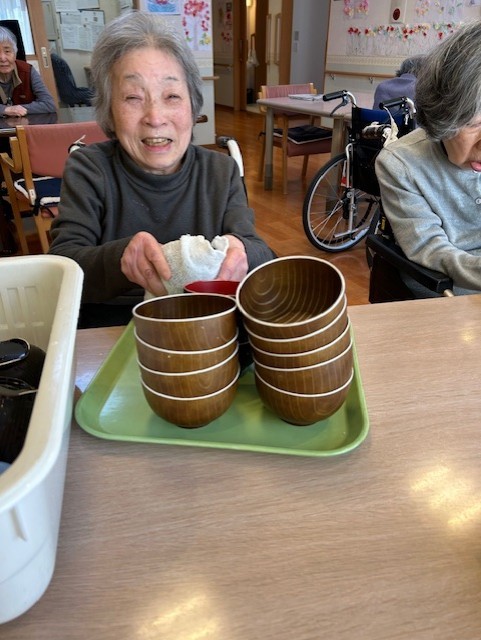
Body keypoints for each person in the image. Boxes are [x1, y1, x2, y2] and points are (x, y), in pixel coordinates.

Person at [48, 11, 276, 327]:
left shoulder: (220, 172)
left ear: (193, 106)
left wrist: (245, 253)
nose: (155, 117)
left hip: (204, 327)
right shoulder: (90, 168)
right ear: (109, 111)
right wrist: (120, 258)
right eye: (133, 97)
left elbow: (262, 253)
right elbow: (63, 265)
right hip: (111, 328)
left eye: (171, 96)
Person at [375, 21, 481, 296]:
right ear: (443, 115)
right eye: (474, 125)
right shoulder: (400, 164)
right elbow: (430, 248)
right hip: (445, 292)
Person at [0, 26, 56, 117]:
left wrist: (16, 109)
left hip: (25, 124)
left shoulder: (27, 70)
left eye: (7, 51)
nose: (3, 58)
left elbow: (49, 104)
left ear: (15, 53)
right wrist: (5, 110)